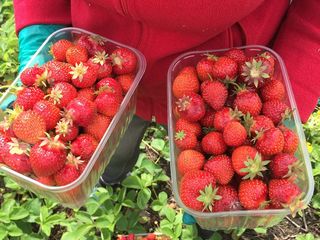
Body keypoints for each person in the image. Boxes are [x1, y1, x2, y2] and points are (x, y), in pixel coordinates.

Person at [12, 0, 320, 238]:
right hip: (108, 70)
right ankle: (110, 175)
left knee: (206, 179)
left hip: (220, 84)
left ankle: (203, 220)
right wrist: (42, 19)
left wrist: (288, 85)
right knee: (114, 145)